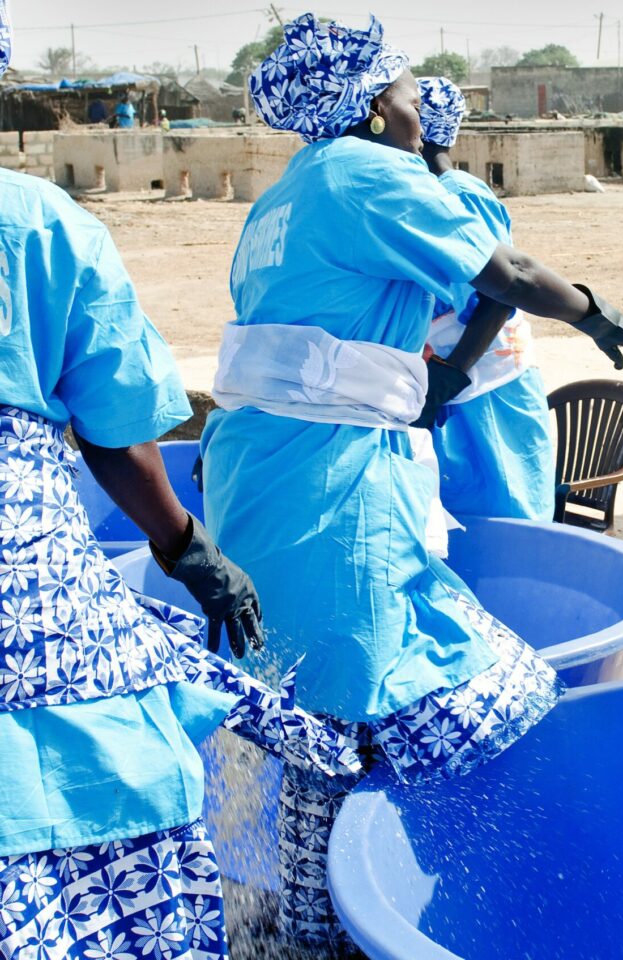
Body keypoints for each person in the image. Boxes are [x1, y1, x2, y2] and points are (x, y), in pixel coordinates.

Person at [203, 14, 623, 949]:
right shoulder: (363, 173)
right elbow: (510, 271)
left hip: (264, 472)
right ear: (373, 103)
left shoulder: (281, 197)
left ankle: (298, 918)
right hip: (331, 493)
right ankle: (357, 920)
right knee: (377, 697)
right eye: (409, 89)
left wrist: (441, 381)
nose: (420, 106)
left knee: (307, 710)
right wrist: (598, 312)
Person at [0, 5, 358, 957]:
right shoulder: (35, 221)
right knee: (91, 782)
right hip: (26, 588)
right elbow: (116, 427)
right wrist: (187, 547)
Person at [416, 75, 557, 520]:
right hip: (445, 383)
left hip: (490, 381)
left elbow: (501, 293)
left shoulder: (461, 194)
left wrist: (453, 372)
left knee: (510, 508)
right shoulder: (412, 197)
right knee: (458, 514)